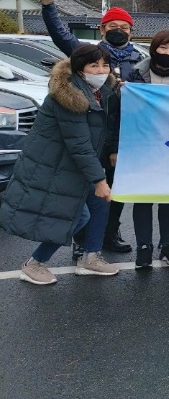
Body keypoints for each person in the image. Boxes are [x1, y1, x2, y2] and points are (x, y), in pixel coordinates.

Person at [37, 0, 141, 255]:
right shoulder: (88, 53)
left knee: (116, 188)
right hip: (92, 132)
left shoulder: (139, 59)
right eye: (113, 27)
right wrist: (48, 4)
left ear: (131, 31)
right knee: (88, 187)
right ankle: (82, 239)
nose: (119, 31)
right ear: (102, 28)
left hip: (122, 134)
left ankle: (110, 232)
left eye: (124, 28)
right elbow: (60, 34)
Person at [0, 45, 120, 285]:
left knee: (100, 206)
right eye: (93, 65)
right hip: (54, 164)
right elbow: (78, 144)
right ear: (79, 69)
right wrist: (99, 179)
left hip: (78, 164)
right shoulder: (70, 97)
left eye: (105, 65)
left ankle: (91, 257)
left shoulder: (101, 91)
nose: (100, 70)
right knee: (77, 215)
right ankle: (34, 263)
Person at [124, 30, 169, 268]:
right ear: (154, 48)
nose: (167, 53)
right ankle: (143, 247)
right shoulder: (135, 76)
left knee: (168, 197)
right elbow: (123, 113)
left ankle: (168, 245)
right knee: (142, 197)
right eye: (163, 48)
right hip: (141, 144)